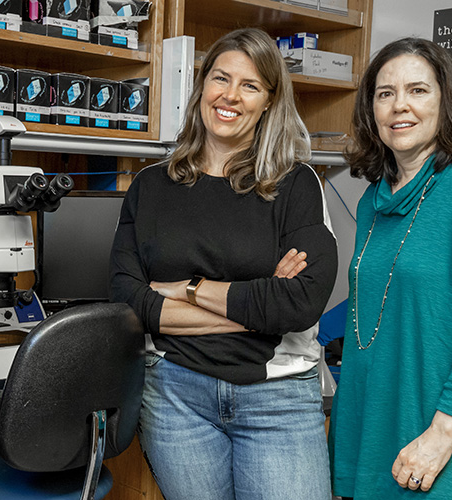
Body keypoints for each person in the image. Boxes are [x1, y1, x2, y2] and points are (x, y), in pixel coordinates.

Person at [109, 28, 338, 500]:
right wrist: (258, 307)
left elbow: (299, 304)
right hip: (176, 396)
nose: (230, 96)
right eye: (221, 78)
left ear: (269, 102)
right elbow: (129, 301)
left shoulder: (296, 185)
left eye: (250, 86)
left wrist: (185, 288)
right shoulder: (151, 186)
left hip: (277, 399)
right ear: (202, 88)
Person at [328, 37, 452, 500]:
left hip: (436, 437)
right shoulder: (374, 199)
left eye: (418, 90)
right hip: (368, 429)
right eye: (385, 93)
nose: (400, 106)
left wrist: (440, 436)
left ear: (446, 101)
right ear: (370, 109)